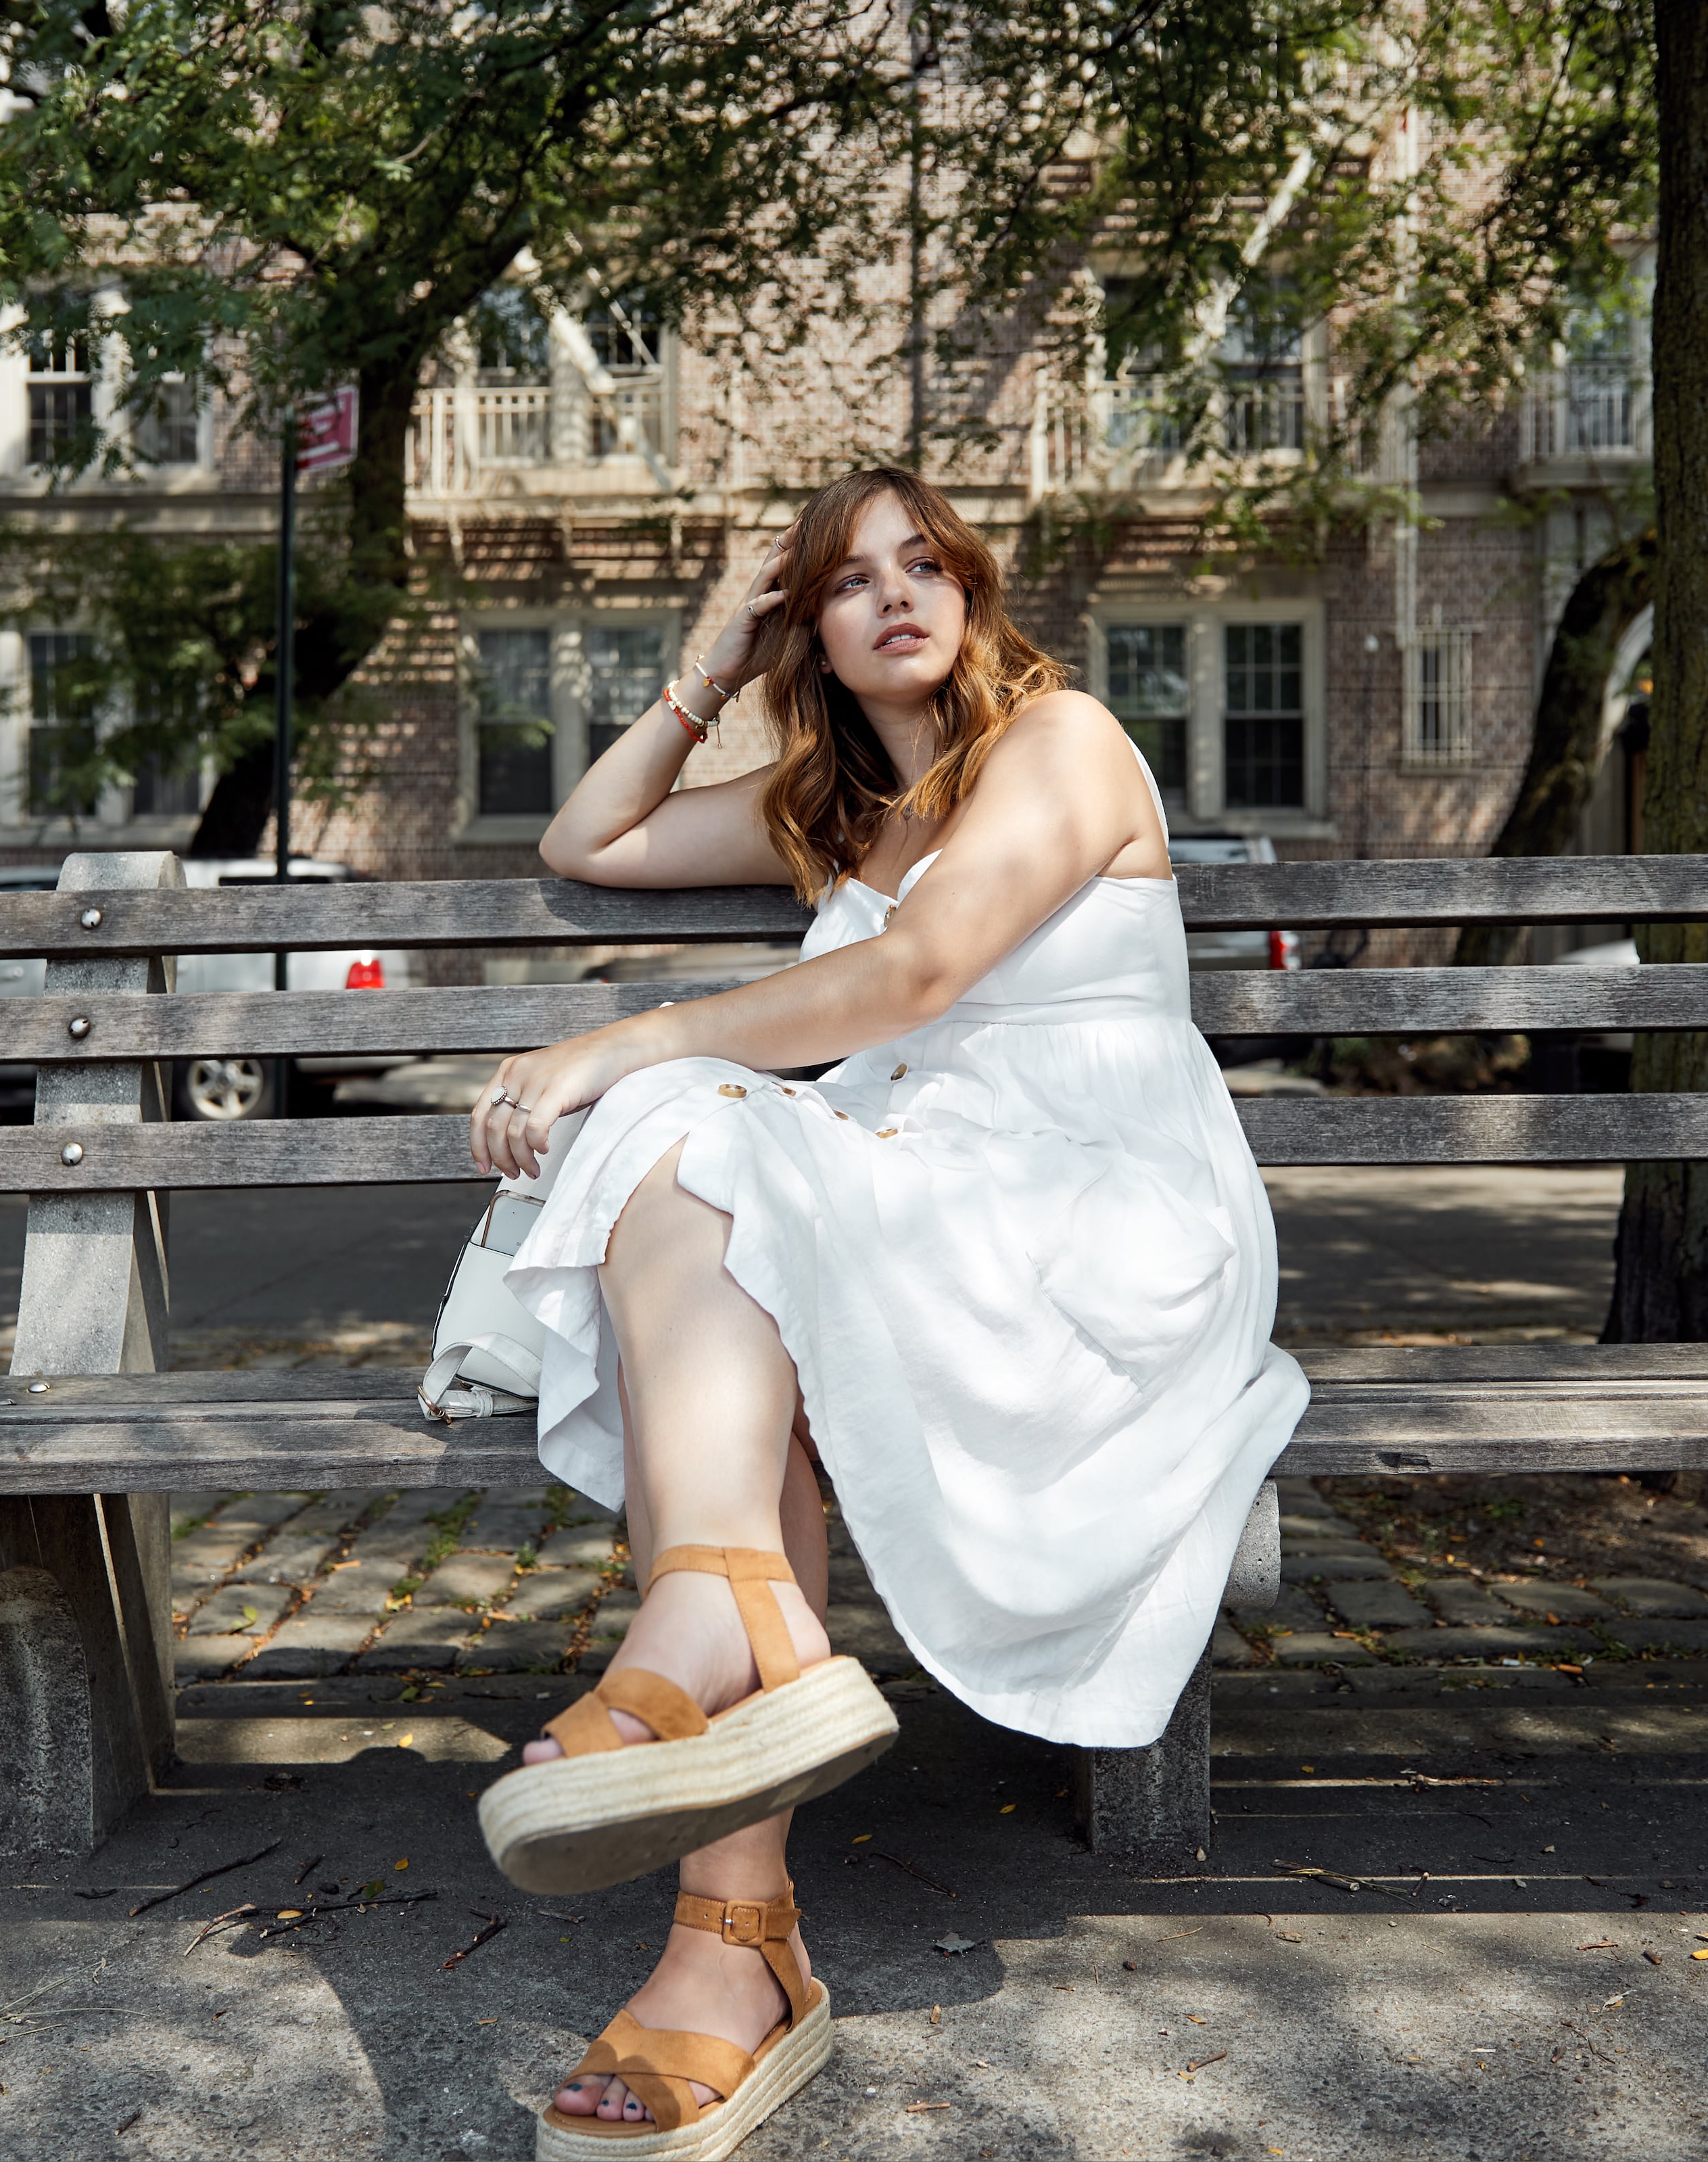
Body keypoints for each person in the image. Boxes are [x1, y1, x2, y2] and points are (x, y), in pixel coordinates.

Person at [466, 467, 1308, 2156]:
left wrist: (623, 1040)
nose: (897, 598)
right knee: (731, 1227)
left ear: (975, 590)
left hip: (1086, 1215)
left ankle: (732, 1923)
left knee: (688, 1132)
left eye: (924, 565)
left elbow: (913, 979)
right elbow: (592, 840)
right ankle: (730, 1683)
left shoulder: (1059, 745)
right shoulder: (829, 812)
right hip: (918, 1186)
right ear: (815, 636)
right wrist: (710, 666)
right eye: (848, 586)